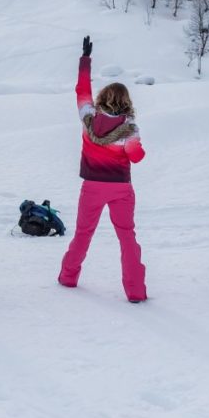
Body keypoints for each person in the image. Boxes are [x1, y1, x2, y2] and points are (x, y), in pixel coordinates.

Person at [58, 36, 147, 303]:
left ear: (103, 98)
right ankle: (135, 291)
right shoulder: (129, 128)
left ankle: (68, 277)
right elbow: (137, 157)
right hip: (121, 188)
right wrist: (133, 143)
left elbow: (81, 89)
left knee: (83, 233)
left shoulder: (87, 117)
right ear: (125, 102)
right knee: (127, 237)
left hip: (92, 187)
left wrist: (85, 59)